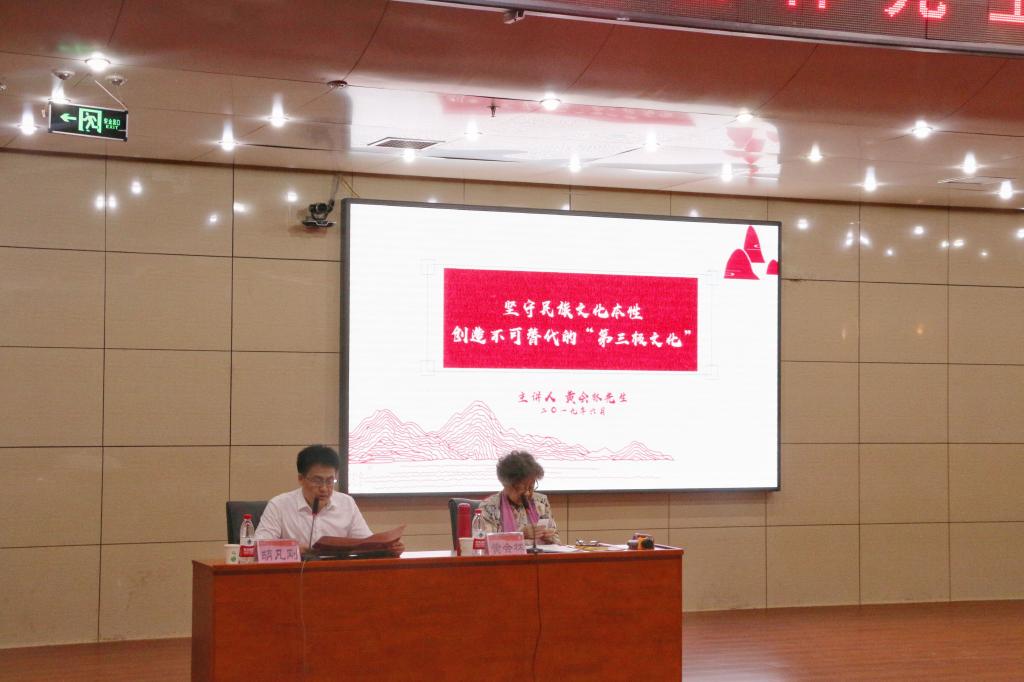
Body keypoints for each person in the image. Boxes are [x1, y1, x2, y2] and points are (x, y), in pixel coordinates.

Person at [254, 444, 403, 555]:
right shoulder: (279, 505)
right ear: (301, 479)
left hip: (337, 576)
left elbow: (366, 544)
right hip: (293, 577)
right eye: (317, 481)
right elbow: (257, 547)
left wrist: (388, 549)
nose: (324, 488)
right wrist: (293, 549)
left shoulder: (346, 503)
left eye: (330, 481)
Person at [476, 450, 560, 544]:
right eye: (521, 488)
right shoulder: (489, 506)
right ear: (506, 484)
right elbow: (484, 542)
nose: (527, 493)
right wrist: (520, 535)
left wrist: (550, 537)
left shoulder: (541, 502)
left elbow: (557, 540)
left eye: (531, 487)